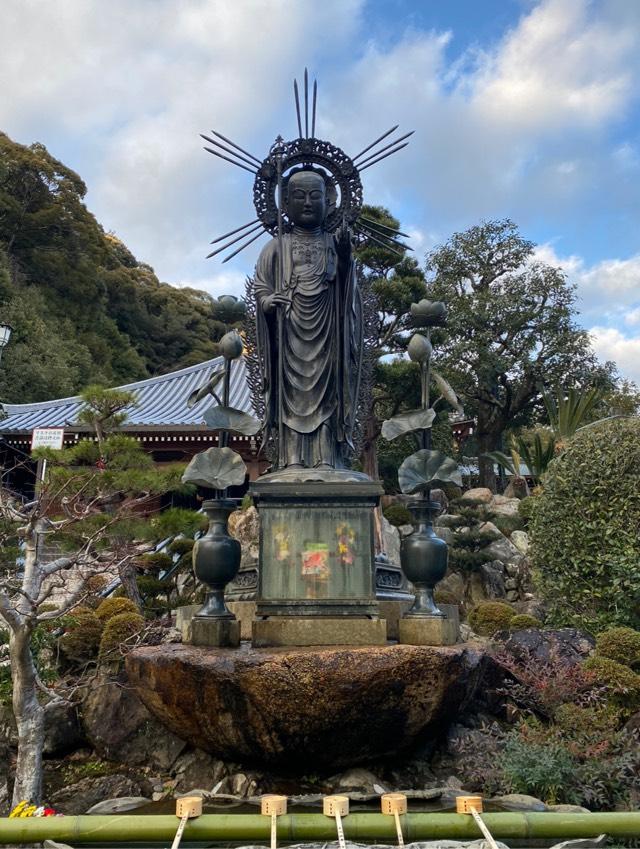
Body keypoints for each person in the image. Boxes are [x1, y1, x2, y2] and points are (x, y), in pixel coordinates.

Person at [253, 168, 363, 470]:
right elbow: (261, 284)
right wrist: (267, 301)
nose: (307, 203)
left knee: (327, 396)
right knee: (290, 399)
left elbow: (347, 288)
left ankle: (327, 459)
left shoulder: (333, 242)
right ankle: (291, 461)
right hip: (288, 334)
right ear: (284, 203)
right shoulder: (276, 246)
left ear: (329, 201)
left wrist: (343, 256)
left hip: (327, 332)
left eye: (315, 196)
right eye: (298, 196)